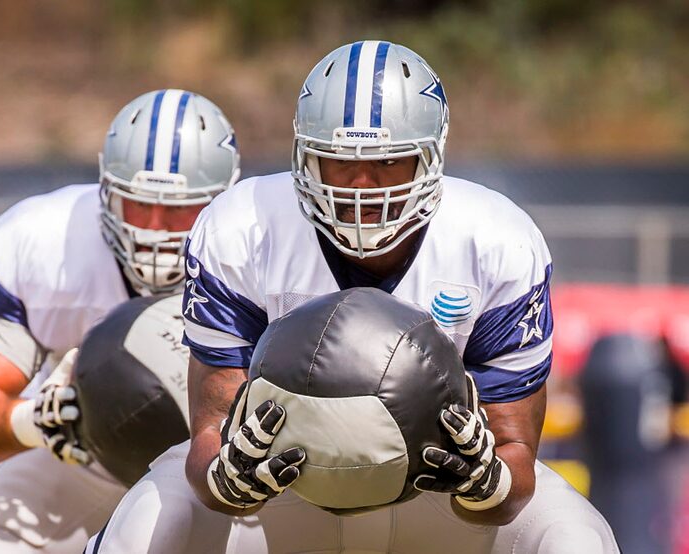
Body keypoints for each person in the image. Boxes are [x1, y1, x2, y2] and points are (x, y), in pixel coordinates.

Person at [86, 41, 619, 553]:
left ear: (430, 158)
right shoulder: (240, 228)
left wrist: (486, 485)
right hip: (282, 486)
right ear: (305, 157)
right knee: (145, 523)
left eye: (387, 163)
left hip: (436, 490)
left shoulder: (498, 241)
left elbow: (514, 457)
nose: (362, 185)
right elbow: (210, 433)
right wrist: (224, 481)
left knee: (579, 538)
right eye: (341, 162)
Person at [0, 88, 240, 553]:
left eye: (179, 210)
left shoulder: (258, 240)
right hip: (90, 449)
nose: (153, 228)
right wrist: (33, 420)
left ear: (222, 200)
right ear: (106, 191)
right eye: (138, 204)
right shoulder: (48, 244)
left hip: (232, 465)